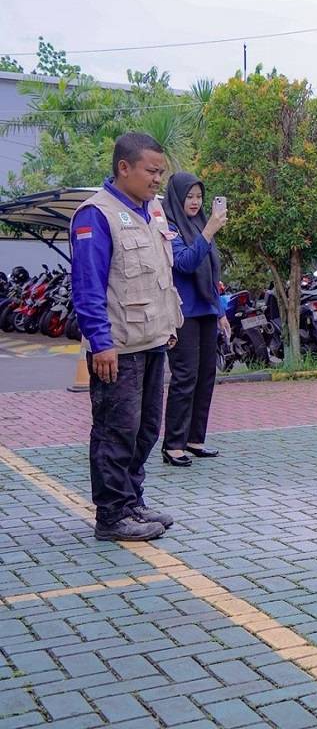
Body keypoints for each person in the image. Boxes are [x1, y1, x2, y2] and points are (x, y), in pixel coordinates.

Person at [69, 133, 183, 542]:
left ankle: (132, 500)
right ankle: (111, 515)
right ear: (124, 168)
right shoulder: (95, 215)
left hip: (152, 341)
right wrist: (100, 343)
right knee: (116, 431)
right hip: (118, 349)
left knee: (147, 429)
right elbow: (87, 286)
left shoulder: (151, 212)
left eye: (161, 172)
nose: (158, 180)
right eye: (152, 171)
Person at [161, 173, 229, 467]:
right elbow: (186, 263)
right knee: (185, 376)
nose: (195, 202)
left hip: (207, 311)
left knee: (206, 376)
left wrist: (221, 311)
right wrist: (209, 231)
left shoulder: (201, 224)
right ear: (177, 198)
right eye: (189, 196)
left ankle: (194, 439)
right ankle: (173, 444)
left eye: (199, 197)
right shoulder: (169, 226)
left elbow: (212, 272)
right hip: (183, 312)